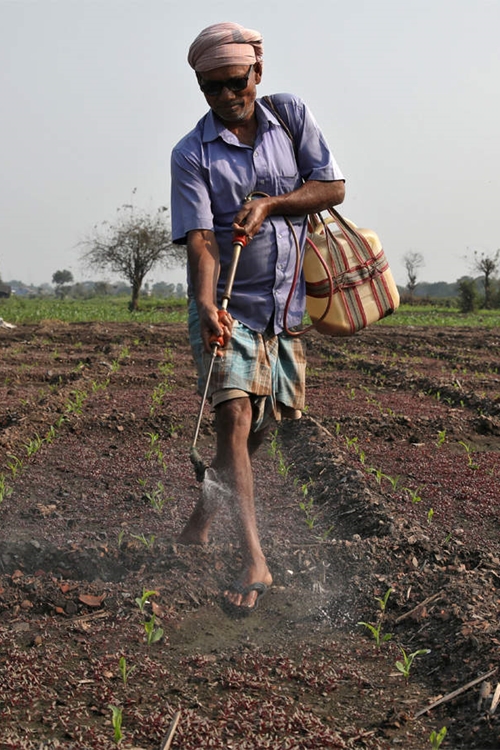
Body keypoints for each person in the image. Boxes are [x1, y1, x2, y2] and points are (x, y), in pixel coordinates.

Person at [171, 22, 345, 611]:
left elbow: (333, 187)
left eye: (233, 82)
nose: (225, 96)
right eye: (211, 88)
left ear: (256, 74)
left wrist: (271, 203)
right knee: (235, 418)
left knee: (262, 427)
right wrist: (203, 304)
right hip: (228, 308)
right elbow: (201, 240)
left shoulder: (290, 117)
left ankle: (202, 513)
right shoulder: (191, 153)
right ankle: (253, 558)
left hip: (285, 305)